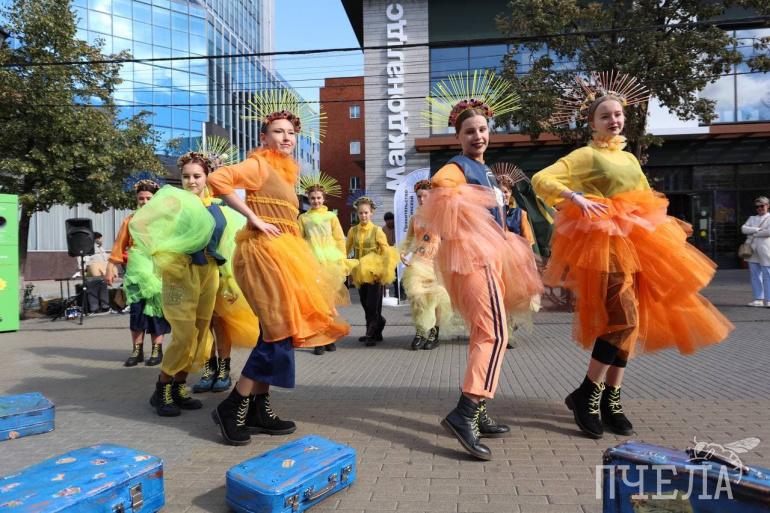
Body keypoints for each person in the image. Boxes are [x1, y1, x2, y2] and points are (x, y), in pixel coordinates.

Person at [532, 71, 734, 440]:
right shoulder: (585, 155)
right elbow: (542, 179)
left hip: (639, 245)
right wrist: (576, 197)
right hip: (604, 246)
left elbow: (645, 198)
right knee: (622, 319)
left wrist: (664, 234)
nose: (613, 120)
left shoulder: (629, 158)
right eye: (605, 115)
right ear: (592, 123)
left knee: (632, 321)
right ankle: (587, 394)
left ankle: (611, 399)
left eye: (618, 114)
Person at [207, 91, 349, 445]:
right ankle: (232, 407)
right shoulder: (259, 164)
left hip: (282, 255)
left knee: (275, 331)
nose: (286, 137)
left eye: (291, 132)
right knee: (278, 331)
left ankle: (259, 408)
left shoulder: (288, 173)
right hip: (261, 254)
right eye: (278, 132)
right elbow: (218, 180)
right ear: (264, 137)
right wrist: (254, 217)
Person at [419, 70, 542, 460]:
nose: (478, 136)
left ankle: (480, 409)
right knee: (496, 334)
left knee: (485, 334)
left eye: (482, 130)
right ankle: (465, 412)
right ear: (458, 136)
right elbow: (440, 188)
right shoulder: (456, 168)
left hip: (490, 257)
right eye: (469, 131)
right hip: (475, 258)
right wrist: (470, 219)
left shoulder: (486, 171)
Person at [130, 153, 226, 417]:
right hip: (181, 272)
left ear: (207, 177)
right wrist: (164, 254)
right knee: (183, 334)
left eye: (197, 176)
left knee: (200, 332)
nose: (191, 181)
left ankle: (179, 387)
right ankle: (162, 388)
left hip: (209, 272)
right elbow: (143, 225)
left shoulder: (216, 205)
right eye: (186, 176)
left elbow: (225, 241)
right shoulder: (172, 203)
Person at [106, 179, 170, 367]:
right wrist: (111, 266)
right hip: (135, 273)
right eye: (141, 198)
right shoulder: (130, 220)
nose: (144, 202)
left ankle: (157, 350)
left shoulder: (164, 220)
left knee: (156, 311)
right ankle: (137, 350)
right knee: (137, 311)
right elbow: (119, 244)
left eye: (149, 198)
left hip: (157, 272)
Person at [298, 171, 351, 355]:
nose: (316, 201)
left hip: (330, 264)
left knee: (329, 304)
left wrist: (342, 260)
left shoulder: (331, 217)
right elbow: (299, 240)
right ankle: (319, 340)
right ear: (308, 198)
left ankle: (330, 337)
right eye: (312, 198)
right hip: (312, 264)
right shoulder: (303, 218)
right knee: (316, 304)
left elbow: (339, 239)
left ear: (324, 198)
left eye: (319, 198)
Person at [400, 179, 453, 351]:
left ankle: (434, 334)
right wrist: (403, 251)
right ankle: (421, 331)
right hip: (418, 261)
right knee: (417, 297)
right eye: (419, 197)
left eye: (425, 196)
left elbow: (448, 237)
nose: (422, 200)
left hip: (436, 262)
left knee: (435, 298)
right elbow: (409, 238)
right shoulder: (414, 218)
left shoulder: (440, 216)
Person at [347, 197, 398, 347]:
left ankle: (370, 333)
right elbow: (346, 249)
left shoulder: (377, 230)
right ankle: (378, 326)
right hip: (359, 273)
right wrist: (342, 264)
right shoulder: (353, 231)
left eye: (366, 213)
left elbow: (386, 251)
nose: (363, 216)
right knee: (364, 303)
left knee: (372, 305)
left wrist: (383, 270)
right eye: (361, 213)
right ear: (357, 213)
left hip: (375, 273)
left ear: (371, 213)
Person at [741, 196, 770, 307]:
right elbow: (743, 229)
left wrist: (752, 232)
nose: (759, 208)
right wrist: (758, 230)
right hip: (752, 250)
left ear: (767, 206)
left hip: (765, 250)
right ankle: (758, 299)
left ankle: (769, 299)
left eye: (762, 206)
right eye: (757, 207)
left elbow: (768, 232)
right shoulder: (752, 218)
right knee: (755, 275)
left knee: (767, 275)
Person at [82, 231, 111, 313]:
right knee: (92, 291)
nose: (102, 240)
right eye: (100, 238)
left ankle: (105, 306)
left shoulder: (101, 248)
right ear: (96, 239)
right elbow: (85, 260)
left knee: (103, 290)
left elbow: (105, 258)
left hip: (102, 274)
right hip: (92, 275)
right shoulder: (89, 248)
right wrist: (85, 269)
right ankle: (94, 308)